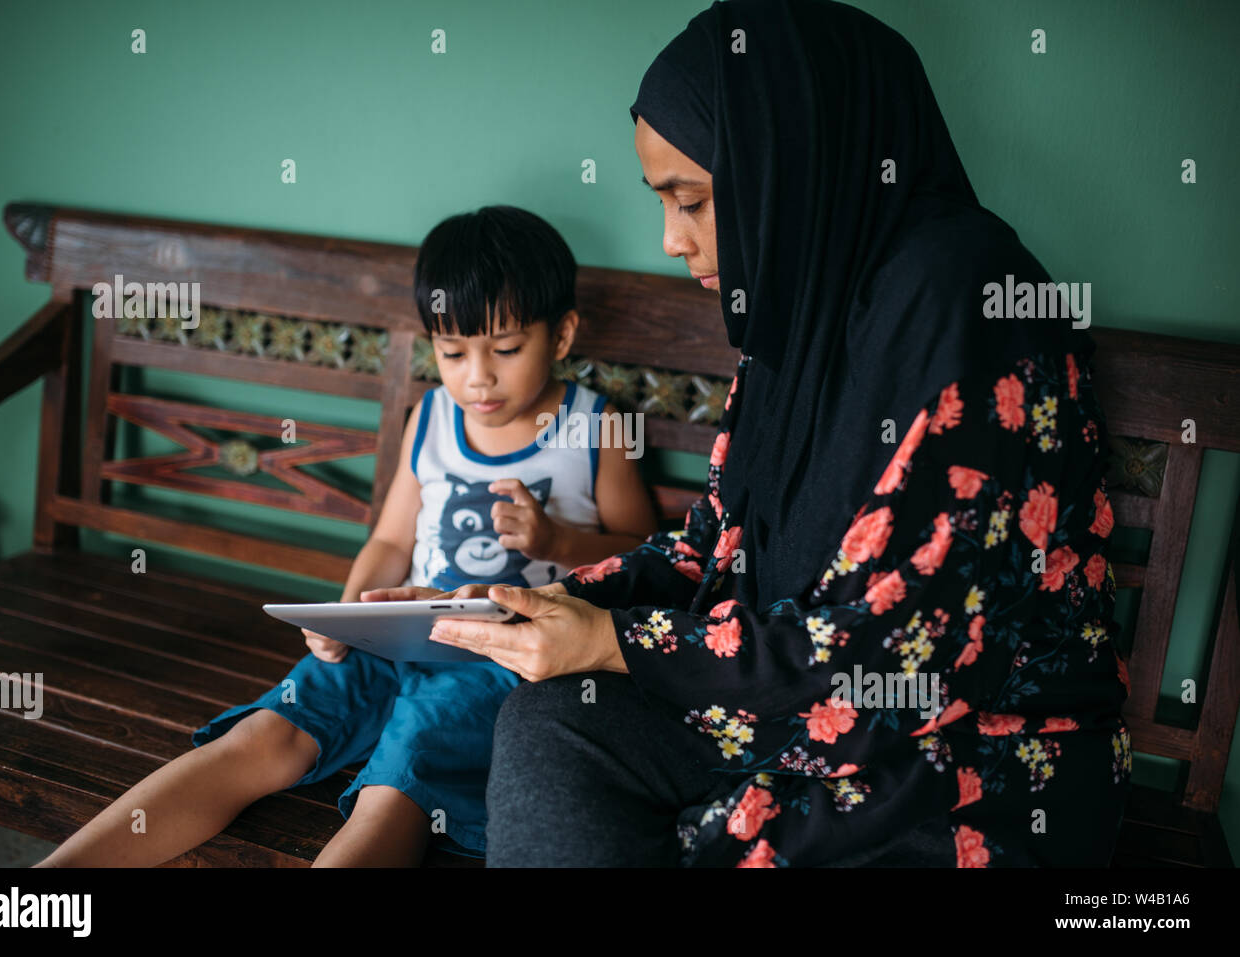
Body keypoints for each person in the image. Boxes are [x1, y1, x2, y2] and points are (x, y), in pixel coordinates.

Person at [428, 0, 1130, 867]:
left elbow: (903, 656)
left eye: (691, 200)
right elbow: (714, 544)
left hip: (952, 753)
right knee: (558, 718)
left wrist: (617, 641)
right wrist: (517, 607)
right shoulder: (798, 306)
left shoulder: (970, 305)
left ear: (788, 169)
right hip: (780, 703)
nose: (670, 240)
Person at [37, 205, 656, 867]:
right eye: (452, 351)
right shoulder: (433, 418)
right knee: (261, 740)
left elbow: (647, 559)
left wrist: (558, 540)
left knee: (399, 779)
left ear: (561, 336)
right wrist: (345, 614)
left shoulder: (594, 427)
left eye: (505, 349)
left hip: (498, 658)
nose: (477, 375)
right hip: (394, 634)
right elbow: (390, 541)